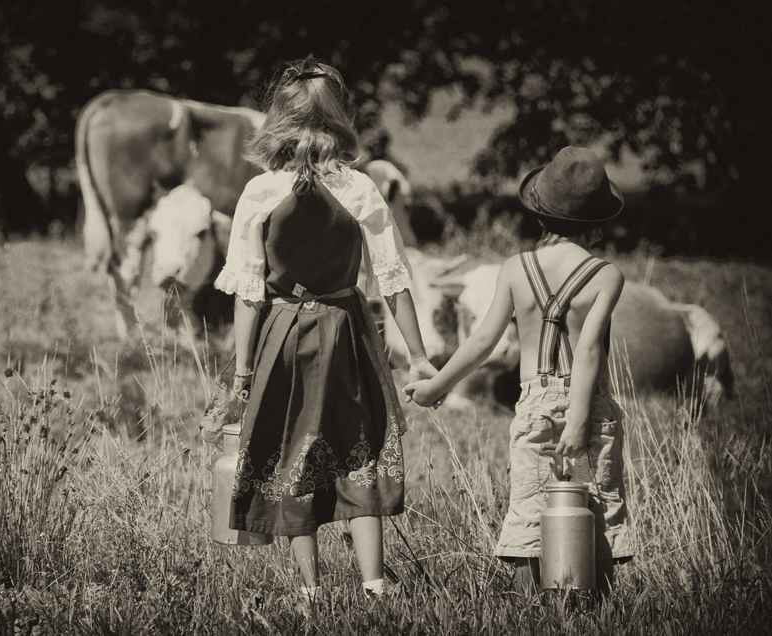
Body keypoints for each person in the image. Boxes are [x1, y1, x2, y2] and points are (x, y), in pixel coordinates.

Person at [213, 55, 438, 611]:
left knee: (293, 451)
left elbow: (249, 292)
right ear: (340, 116)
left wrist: (243, 375)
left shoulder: (260, 193)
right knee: (357, 447)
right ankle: (375, 587)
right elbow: (393, 279)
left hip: (283, 335)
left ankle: (311, 593)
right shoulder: (360, 187)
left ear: (278, 118)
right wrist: (419, 355)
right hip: (347, 334)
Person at [405, 146, 634, 596]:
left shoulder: (515, 269)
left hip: (534, 403)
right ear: (596, 222)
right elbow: (587, 349)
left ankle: (531, 608)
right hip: (591, 402)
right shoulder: (606, 275)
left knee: (529, 507)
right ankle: (597, 607)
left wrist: (436, 386)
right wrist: (581, 416)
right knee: (599, 507)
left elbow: (480, 342)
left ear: (540, 213)